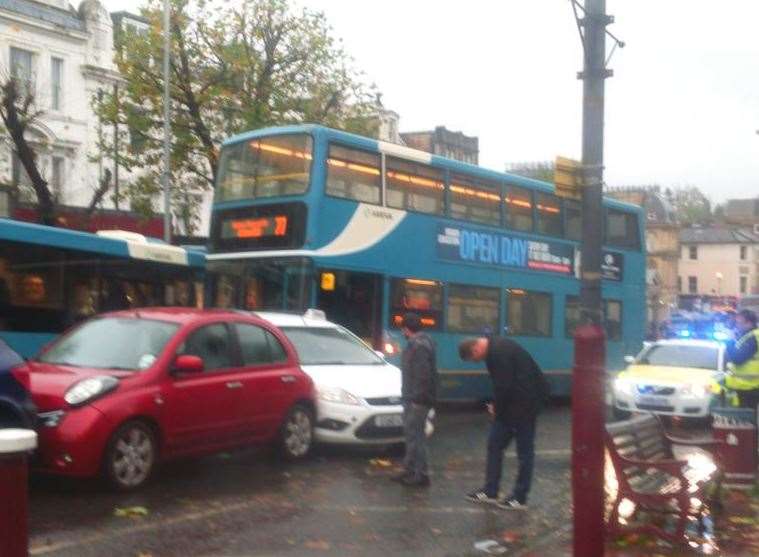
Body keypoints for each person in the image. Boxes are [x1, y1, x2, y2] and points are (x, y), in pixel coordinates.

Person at [459, 336, 550, 510]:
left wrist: (496, 408)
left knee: (524, 452)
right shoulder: (496, 348)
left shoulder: (499, 353)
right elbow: (503, 385)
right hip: (512, 405)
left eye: (474, 359)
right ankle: (490, 491)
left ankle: (519, 497)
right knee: (495, 444)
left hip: (525, 405)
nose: (476, 362)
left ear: (476, 349)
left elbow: (504, 385)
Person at [392, 312, 437, 488]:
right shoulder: (419, 343)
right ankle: (410, 470)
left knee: (416, 437)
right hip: (413, 398)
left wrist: (417, 399)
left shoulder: (418, 346)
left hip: (417, 400)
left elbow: (422, 376)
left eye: (403, 329)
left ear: (406, 329)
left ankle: (421, 475)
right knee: (412, 436)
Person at [725, 309, 759, 409]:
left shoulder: (753, 337)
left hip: (748, 387)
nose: (737, 325)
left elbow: (737, 359)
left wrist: (729, 341)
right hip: (748, 386)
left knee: (747, 419)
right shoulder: (749, 336)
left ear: (749, 323)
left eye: (739, 323)